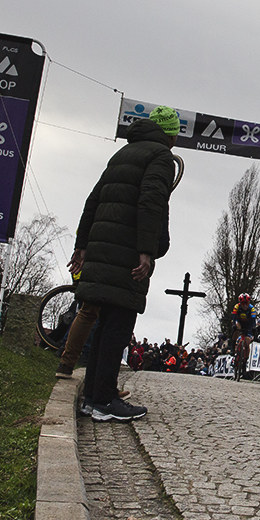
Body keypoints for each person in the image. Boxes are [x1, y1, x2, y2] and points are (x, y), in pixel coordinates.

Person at [61, 104, 179, 423]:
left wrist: (81, 246)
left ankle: (93, 397)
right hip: (126, 252)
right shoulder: (161, 158)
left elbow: (93, 200)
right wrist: (146, 251)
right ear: (171, 135)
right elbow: (152, 202)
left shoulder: (122, 154)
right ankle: (103, 400)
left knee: (104, 325)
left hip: (101, 246)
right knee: (118, 326)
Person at [228, 293, 258, 375]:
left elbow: (253, 319)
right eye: (243, 304)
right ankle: (233, 346)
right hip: (239, 322)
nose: (245, 306)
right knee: (236, 328)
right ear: (240, 303)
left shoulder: (252, 308)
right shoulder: (237, 307)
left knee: (247, 343)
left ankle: (245, 361)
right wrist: (233, 325)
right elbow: (234, 317)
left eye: (247, 303)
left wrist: (253, 328)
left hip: (248, 324)